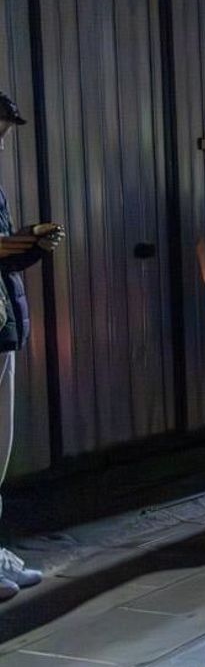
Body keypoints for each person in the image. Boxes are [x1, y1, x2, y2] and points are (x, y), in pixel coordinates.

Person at [0, 92, 63, 602]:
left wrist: (31, 249)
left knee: (0, 448)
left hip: (2, 327)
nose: (2, 141)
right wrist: (14, 242)